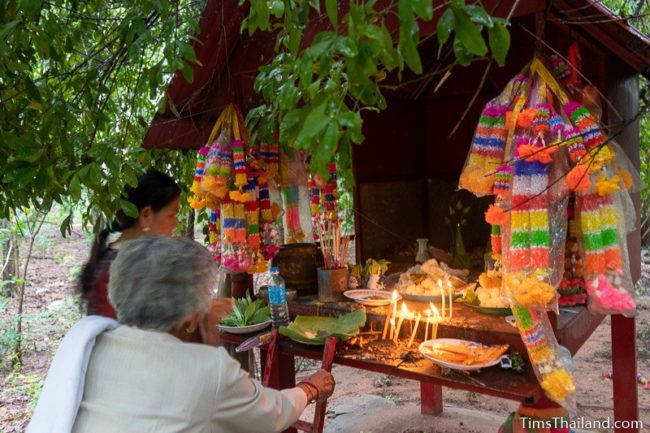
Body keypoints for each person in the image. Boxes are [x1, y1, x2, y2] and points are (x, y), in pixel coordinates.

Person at [28, 236, 335, 433]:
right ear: (189, 318)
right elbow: (271, 415)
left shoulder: (86, 341)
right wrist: (310, 386)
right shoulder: (208, 369)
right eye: (206, 301)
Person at [78, 170, 181, 318]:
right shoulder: (122, 266)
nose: (175, 224)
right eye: (171, 215)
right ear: (146, 215)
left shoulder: (122, 257)